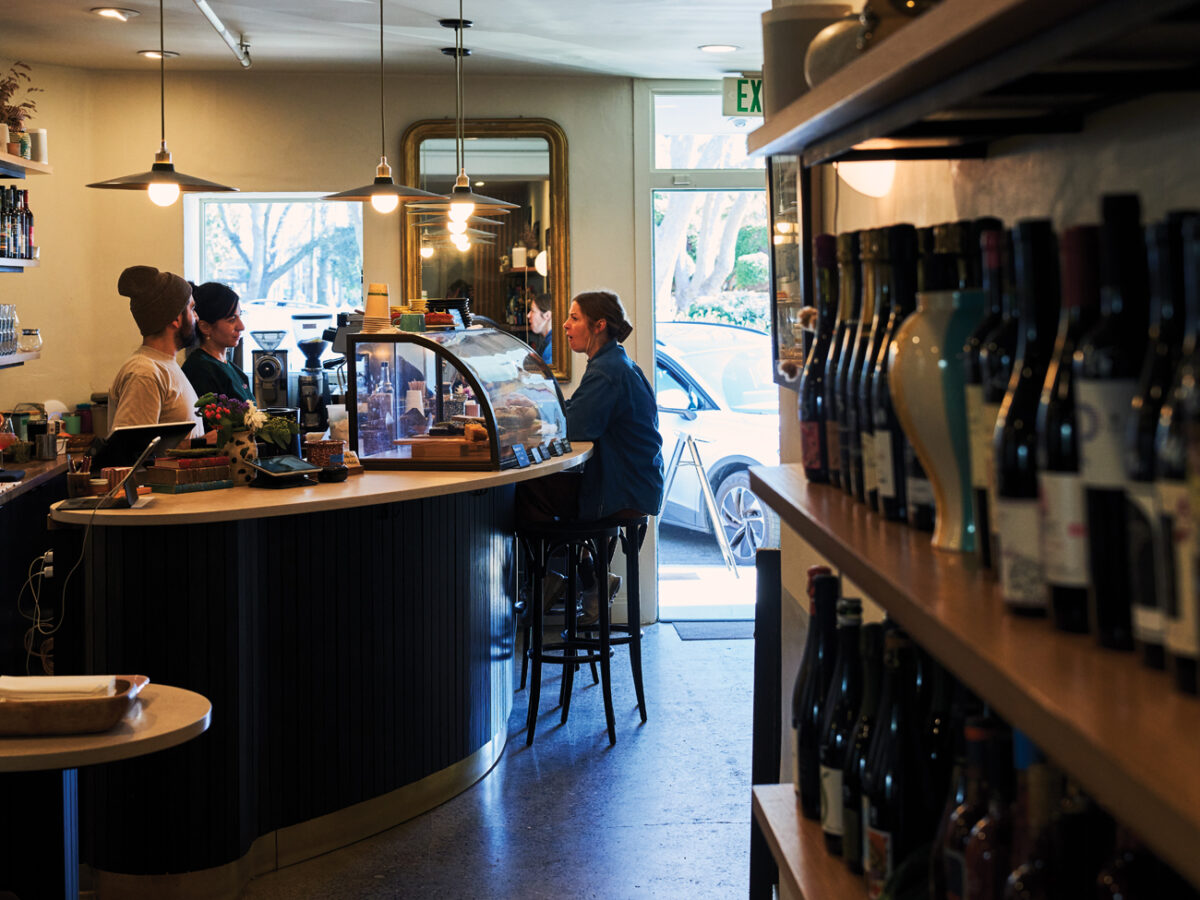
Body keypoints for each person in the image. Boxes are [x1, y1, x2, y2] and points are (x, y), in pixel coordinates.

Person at [517, 289, 664, 623]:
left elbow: (576, 427)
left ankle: (548, 580)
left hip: (623, 486)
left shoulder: (607, 371)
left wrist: (530, 415)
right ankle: (587, 580)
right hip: (635, 479)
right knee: (543, 488)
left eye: (574, 317)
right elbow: (580, 414)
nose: (566, 325)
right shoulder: (612, 363)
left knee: (523, 488)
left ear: (599, 325)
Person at [108, 265, 204, 438]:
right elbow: (131, 453)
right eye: (192, 308)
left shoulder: (164, 365)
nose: (196, 317)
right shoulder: (145, 373)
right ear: (175, 318)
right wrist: (203, 444)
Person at [181, 282, 254, 403]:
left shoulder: (235, 371)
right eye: (231, 320)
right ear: (205, 327)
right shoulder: (200, 369)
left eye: (240, 316)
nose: (241, 327)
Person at [527, 292, 554, 366]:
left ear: (547, 315)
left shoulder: (551, 348)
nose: (528, 315)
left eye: (533, 311)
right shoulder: (547, 341)